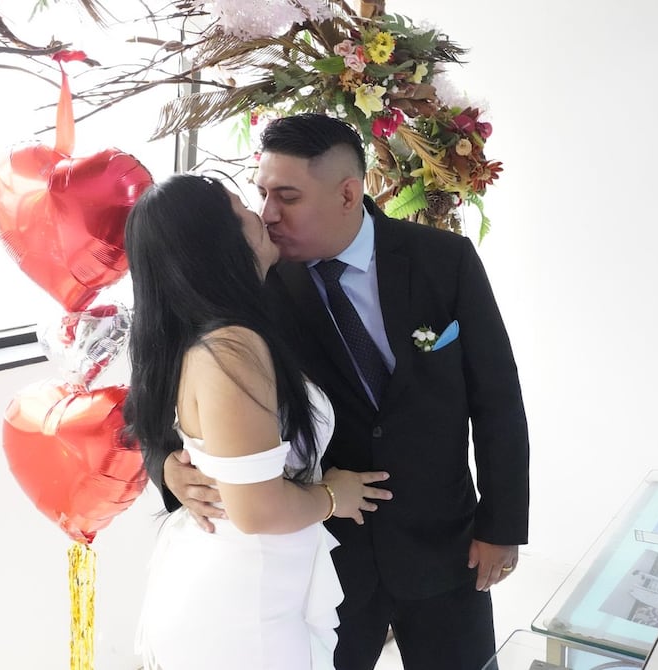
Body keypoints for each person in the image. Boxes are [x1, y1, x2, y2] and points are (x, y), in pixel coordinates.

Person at [162, 113, 531, 670]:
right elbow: (172, 388)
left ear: (347, 194)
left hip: (443, 544)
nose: (268, 213)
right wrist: (168, 467)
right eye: (262, 194)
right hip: (324, 559)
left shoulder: (443, 260)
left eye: (287, 196)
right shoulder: (254, 282)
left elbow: (498, 398)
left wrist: (502, 526)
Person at [122, 173, 393, 669]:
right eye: (244, 207)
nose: (262, 214)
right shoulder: (230, 347)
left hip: (251, 580)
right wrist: (335, 495)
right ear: (219, 240)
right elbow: (256, 510)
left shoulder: (207, 329)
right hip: (244, 600)